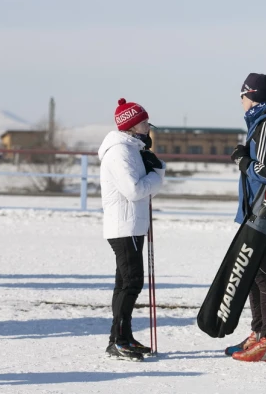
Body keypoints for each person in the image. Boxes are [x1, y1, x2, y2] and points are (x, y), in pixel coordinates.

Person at [98, 98, 165, 361]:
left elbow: (139, 188)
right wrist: (156, 175)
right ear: (132, 125)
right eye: (145, 122)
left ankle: (121, 337)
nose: (149, 127)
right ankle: (119, 340)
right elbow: (134, 190)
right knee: (132, 282)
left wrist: (150, 168)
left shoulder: (131, 149)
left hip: (132, 225)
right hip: (123, 226)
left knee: (125, 282)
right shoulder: (119, 152)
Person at [225, 73, 266, 362]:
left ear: (248, 95)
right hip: (256, 213)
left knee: (263, 276)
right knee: (252, 275)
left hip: (264, 214)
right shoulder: (261, 121)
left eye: (241, 95)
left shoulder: (265, 124)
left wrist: (242, 160)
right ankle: (259, 333)